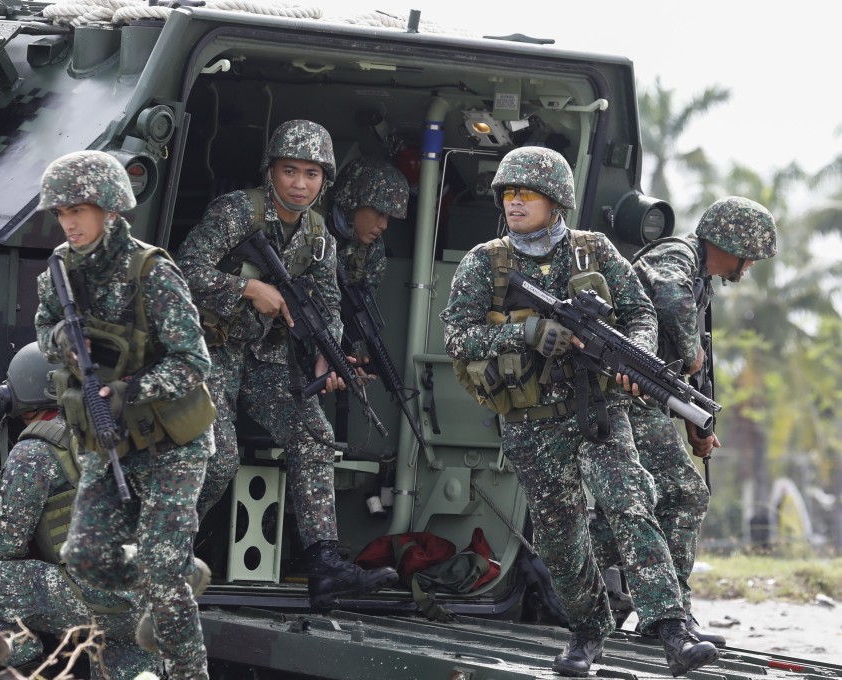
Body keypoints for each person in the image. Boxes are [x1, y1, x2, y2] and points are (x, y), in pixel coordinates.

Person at [441, 146, 719, 677]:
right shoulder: (486, 261)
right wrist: (527, 332)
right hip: (531, 424)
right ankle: (588, 633)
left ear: (557, 201)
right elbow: (458, 336)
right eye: (509, 194)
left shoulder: (594, 252)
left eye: (527, 194)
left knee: (630, 501)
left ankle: (673, 628)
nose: (515, 203)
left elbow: (640, 311)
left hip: (598, 408)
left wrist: (632, 359)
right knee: (561, 538)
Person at [175, 120, 397, 607]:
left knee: (313, 435)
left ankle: (324, 564)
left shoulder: (319, 236)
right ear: (271, 171)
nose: (300, 184)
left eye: (312, 174)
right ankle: (167, 555)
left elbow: (328, 306)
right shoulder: (238, 212)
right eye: (290, 171)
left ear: (325, 180)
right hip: (212, 347)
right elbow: (181, 270)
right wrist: (249, 288)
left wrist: (327, 354)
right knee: (217, 456)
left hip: (267, 354)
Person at [33, 150, 216, 680]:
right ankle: (180, 573)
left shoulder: (152, 272)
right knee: (85, 557)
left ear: (112, 209)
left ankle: (187, 671)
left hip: (173, 441)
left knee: (161, 570)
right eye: (62, 211)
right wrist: (62, 339)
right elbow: (45, 329)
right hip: (111, 441)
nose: (69, 221)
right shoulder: (58, 274)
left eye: (81, 209)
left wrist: (130, 390)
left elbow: (193, 361)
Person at [589, 196, 778, 646]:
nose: (749, 266)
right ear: (731, 244)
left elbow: (671, 361)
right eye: (749, 256)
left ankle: (631, 601)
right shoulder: (677, 254)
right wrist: (691, 351)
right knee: (684, 492)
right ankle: (662, 614)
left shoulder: (700, 278)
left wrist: (695, 419)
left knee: (659, 497)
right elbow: (671, 302)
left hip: (640, 397)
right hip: (618, 393)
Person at [0, 343, 161, 678]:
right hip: (150, 596)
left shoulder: (35, 451)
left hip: (99, 598)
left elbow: (3, 547)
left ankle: (25, 657)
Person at [327, 155, 409, 293]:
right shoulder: (309, 226)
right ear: (352, 203)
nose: (384, 225)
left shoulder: (373, 248)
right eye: (379, 213)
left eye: (388, 217)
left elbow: (363, 301)